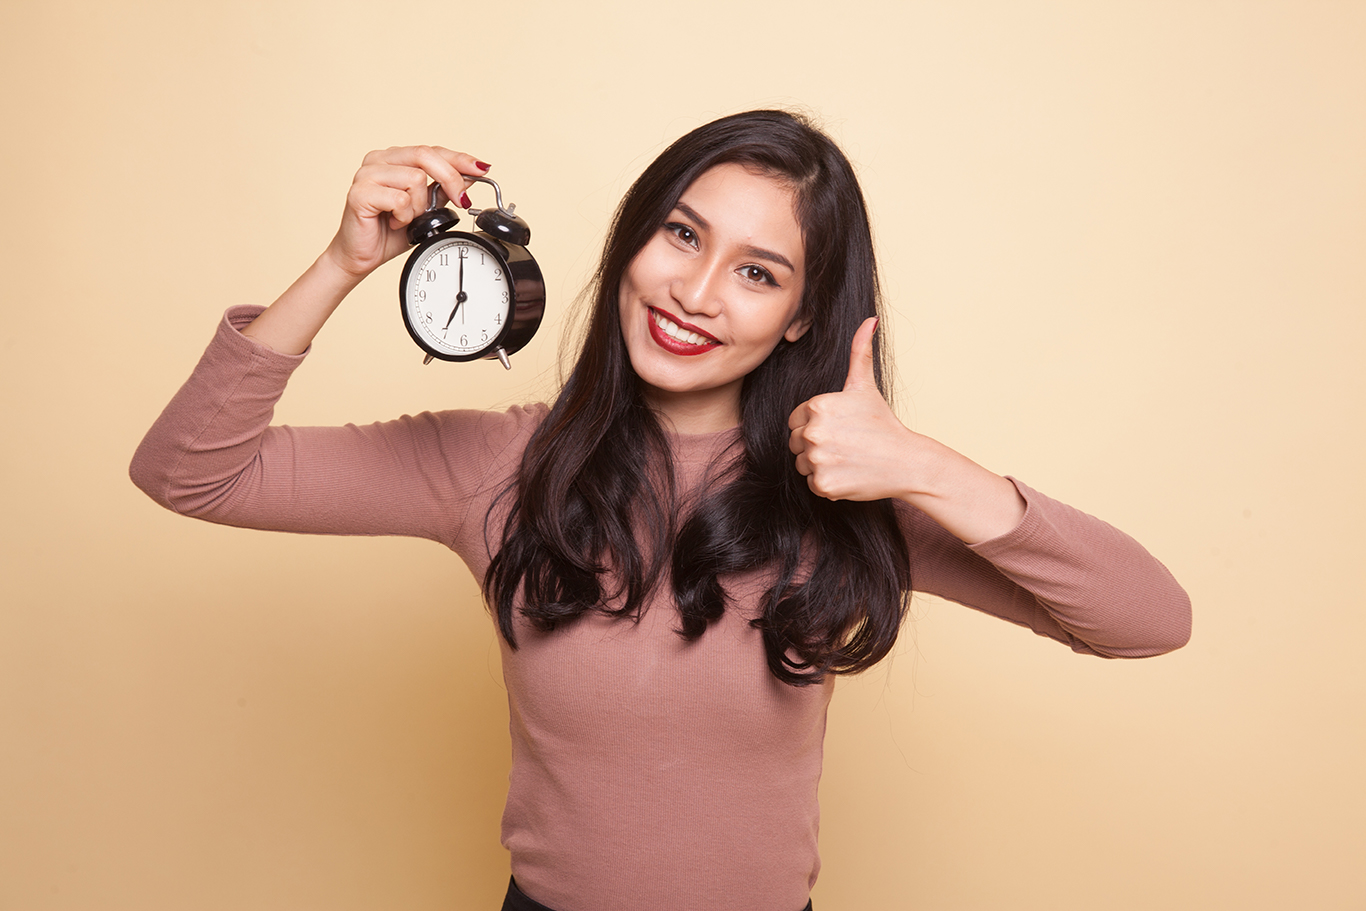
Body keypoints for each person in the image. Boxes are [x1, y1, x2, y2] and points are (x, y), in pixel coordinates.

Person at [130, 109, 1191, 911]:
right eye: (681, 236)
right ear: (633, 240)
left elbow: (1149, 618)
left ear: (798, 319)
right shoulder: (498, 461)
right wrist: (343, 264)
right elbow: (189, 470)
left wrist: (925, 467)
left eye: (757, 271)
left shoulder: (845, 491)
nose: (696, 291)